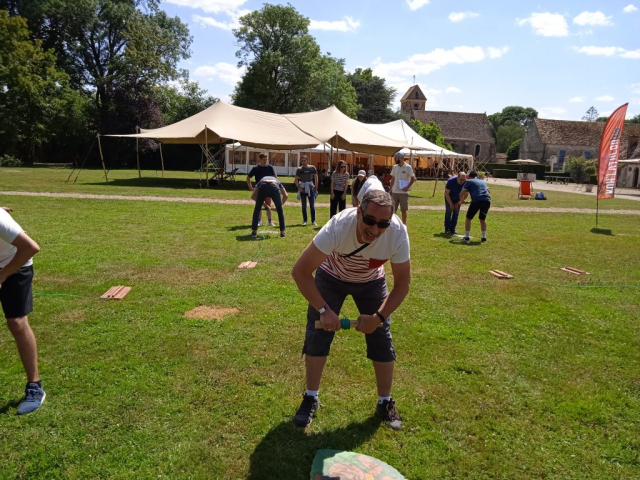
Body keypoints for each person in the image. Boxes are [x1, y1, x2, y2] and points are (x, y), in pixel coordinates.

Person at [291, 190, 411, 430]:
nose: (375, 229)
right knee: (318, 334)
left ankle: (385, 402)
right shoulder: (338, 226)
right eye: (369, 220)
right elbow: (300, 271)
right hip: (332, 275)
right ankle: (310, 396)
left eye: (383, 224)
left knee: (381, 335)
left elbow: (402, 285)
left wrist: (378, 317)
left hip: (371, 281)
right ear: (358, 212)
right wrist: (324, 309)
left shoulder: (397, 233)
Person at [0, 208, 45, 415]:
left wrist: (1, 277)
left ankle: (35, 387)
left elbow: (30, 248)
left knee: (16, 322)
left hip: (17, 264)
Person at [460, 171, 491, 242]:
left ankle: (467, 237)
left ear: (469, 176)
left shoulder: (469, 181)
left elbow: (461, 194)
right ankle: (484, 237)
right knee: (482, 219)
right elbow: (484, 191)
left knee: (468, 218)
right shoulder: (482, 181)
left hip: (477, 200)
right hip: (487, 200)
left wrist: (462, 201)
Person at [247, 153, 276, 227]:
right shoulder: (256, 168)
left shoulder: (270, 167)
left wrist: (274, 184)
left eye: (266, 159)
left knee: (268, 205)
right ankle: (259, 221)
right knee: (259, 205)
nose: (265, 161)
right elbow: (248, 177)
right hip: (259, 188)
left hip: (268, 188)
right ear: (260, 159)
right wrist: (251, 187)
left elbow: (275, 177)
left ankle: (270, 221)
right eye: (264, 159)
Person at [390, 152, 416, 225]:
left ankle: (404, 225)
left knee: (403, 210)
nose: (395, 159)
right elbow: (393, 178)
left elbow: (413, 178)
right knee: (392, 210)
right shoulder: (395, 167)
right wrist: (390, 189)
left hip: (404, 193)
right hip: (395, 192)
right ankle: (392, 224)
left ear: (401, 158)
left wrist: (407, 187)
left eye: (396, 158)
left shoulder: (408, 167)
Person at [294, 156, 318, 226]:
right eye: (302, 161)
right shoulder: (299, 169)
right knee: (304, 205)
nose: (303, 162)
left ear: (307, 161)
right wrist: (299, 187)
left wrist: (316, 186)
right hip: (303, 187)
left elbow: (316, 176)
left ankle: (313, 220)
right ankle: (305, 220)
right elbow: (295, 180)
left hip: (310, 187)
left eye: (305, 161)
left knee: (312, 205)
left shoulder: (312, 168)